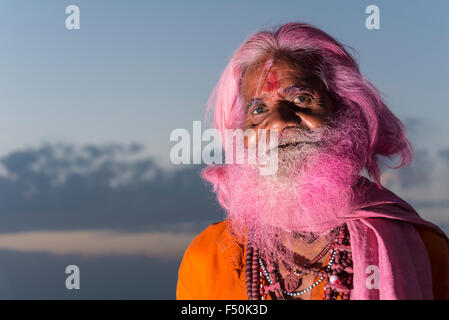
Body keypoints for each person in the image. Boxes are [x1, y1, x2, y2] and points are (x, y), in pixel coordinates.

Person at [176, 22, 449, 300]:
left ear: (344, 112)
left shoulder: (423, 250)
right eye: (258, 109)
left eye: (301, 98)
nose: (280, 122)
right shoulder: (208, 258)